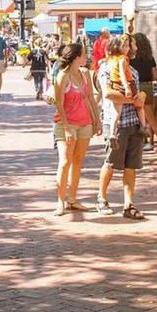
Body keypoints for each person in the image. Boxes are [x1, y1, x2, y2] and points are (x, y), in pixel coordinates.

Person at [96, 36, 148, 219]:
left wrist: (140, 98)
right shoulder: (105, 67)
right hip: (115, 122)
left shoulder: (133, 70)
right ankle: (101, 199)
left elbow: (137, 94)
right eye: (125, 45)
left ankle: (128, 204)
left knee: (131, 165)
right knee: (111, 162)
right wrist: (131, 100)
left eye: (129, 45)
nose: (128, 48)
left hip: (132, 121)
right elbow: (108, 94)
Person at [51, 41, 100, 217]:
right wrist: (66, 127)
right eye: (84, 54)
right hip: (66, 124)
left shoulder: (85, 74)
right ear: (76, 57)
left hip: (85, 122)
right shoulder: (62, 76)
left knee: (78, 161)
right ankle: (60, 200)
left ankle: (72, 198)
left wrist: (97, 120)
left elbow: (91, 99)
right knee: (65, 161)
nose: (87, 58)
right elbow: (58, 103)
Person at [127, 32, 157, 153]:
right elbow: (155, 76)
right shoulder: (150, 57)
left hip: (135, 86)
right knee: (150, 116)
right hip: (147, 86)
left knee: (138, 116)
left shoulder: (130, 58)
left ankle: (144, 142)